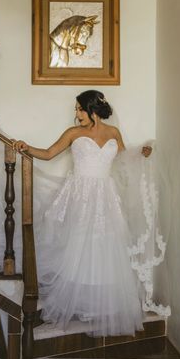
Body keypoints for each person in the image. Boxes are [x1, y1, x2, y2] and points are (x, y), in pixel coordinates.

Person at [11, 90, 164, 336]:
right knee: (78, 246)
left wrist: (140, 153)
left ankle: (98, 305)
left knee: (104, 248)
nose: (76, 114)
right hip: (80, 195)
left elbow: (123, 160)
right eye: (76, 109)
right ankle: (78, 302)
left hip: (105, 196)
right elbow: (49, 154)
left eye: (79, 109)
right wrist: (26, 148)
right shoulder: (73, 134)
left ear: (92, 109)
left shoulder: (113, 133)